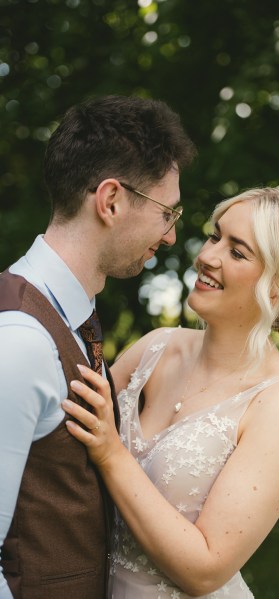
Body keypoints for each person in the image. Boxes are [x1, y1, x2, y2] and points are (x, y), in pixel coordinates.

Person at [63, 184, 279, 599]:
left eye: (237, 252)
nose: (206, 256)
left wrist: (111, 454)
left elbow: (204, 569)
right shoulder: (155, 348)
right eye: (214, 235)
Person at [0, 94, 196, 599]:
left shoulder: (73, 316)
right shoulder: (21, 341)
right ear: (111, 201)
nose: (171, 237)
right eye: (165, 213)